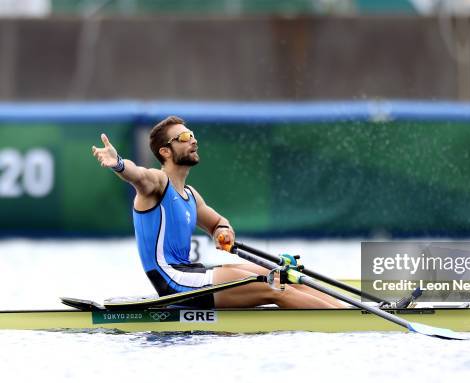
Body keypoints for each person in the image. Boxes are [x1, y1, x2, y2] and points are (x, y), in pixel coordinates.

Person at [92, 115, 342, 308]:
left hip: (192, 273)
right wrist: (119, 164)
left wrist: (223, 232)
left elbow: (217, 223)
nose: (193, 139)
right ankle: (344, 320)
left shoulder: (191, 195)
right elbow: (138, 175)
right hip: (173, 281)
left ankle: (347, 311)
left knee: (281, 275)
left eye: (191, 134)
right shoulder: (157, 183)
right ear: (165, 152)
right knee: (274, 287)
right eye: (183, 137)